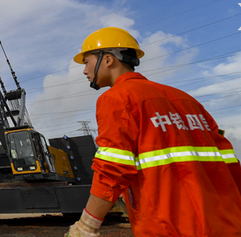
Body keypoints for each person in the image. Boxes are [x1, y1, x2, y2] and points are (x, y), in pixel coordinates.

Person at [66, 27, 241, 237]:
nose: (85, 70)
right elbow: (230, 163)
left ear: (108, 60)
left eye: (87, 61)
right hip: (227, 222)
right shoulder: (187, 100)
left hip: (169, 225)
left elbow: (112, 169)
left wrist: (86, 226)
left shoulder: (117, 98)